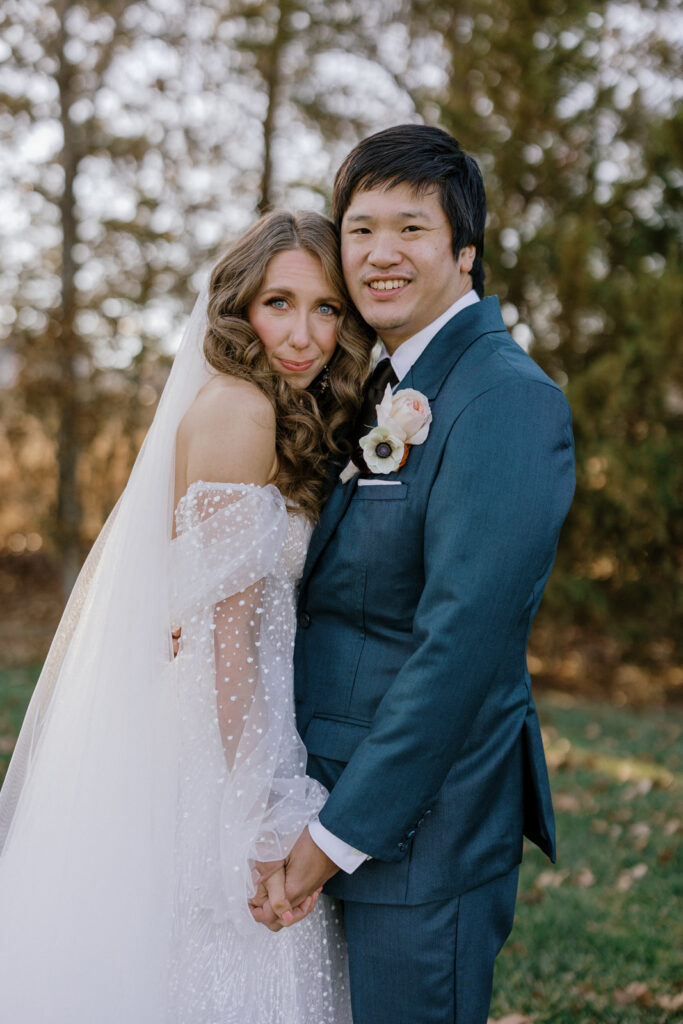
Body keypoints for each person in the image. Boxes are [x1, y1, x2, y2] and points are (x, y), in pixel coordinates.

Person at [0, 210, 375, 1023]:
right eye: (279, 303)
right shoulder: (241, 411)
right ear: (239, 309)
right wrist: (260, 809)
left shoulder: (264, 408)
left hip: (230, 720)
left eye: (326, 309)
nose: (304, 334)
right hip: (220, 743)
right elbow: (225, 641)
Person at [252, 125, 576, 1024]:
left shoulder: (505, 400)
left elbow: (459, 655)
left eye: (410, 229)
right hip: (329, 789)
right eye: (359, 229)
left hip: (418, 838)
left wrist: (330, 840)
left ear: (464, 253)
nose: (379, 254)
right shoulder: (381, 380)